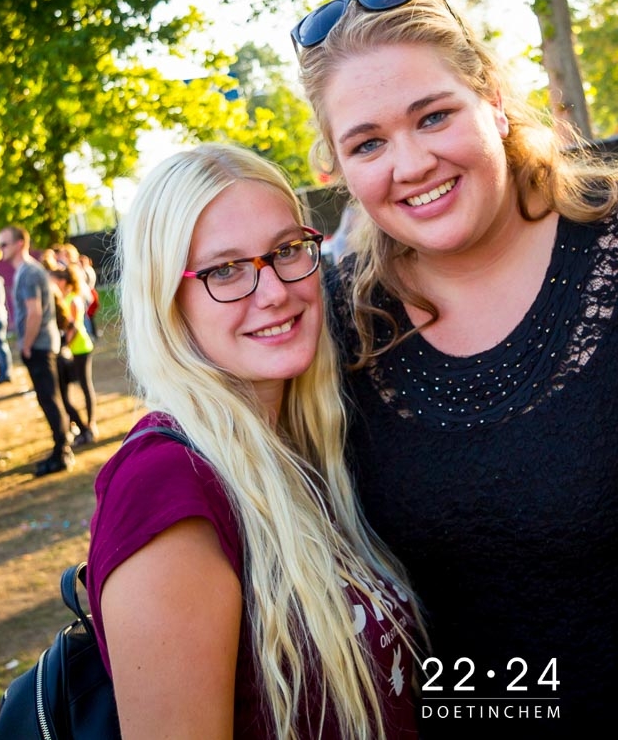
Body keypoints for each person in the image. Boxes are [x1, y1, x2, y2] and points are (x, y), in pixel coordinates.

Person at [294, 0, 618, 737]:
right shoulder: (332, 321)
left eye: (433, 115)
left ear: (491, 96)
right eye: (368, 142)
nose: (410, 163)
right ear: (338, 165)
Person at [89, 142, 419, 738]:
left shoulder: (299, 446)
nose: (273, 292)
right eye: (224, 270)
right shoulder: (166, 489)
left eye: (287, 250)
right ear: (167, 301)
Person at [0, 225, 73, 476]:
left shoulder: (29, 272)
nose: (0, 249)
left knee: (49, 398)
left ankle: (61, 452)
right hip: (42, 343)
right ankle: (61, 447)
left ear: (20, 243)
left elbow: (34, 312)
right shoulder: (27, 271)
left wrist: (26, 344)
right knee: (50, 397)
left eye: (4, 244)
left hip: (39, 345)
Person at [49, 266, 97, 445]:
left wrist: (65, 346)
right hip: (71, 350)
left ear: (62, 282)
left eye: (53, 280)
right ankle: (76, 425)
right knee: (66, 391)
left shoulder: (73, 299)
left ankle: (90, 425)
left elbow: (74, 328)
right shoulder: (63, 298)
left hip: (80, 348)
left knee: (85, 385)